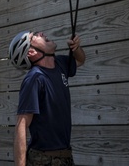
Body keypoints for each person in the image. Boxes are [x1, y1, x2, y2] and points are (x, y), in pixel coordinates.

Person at [9, 30, 86, 166]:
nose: (41, 33)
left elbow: (80, 60)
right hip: (43, 160)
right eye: (34, 36)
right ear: (31, 52)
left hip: (66, 156)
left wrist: (76, 48)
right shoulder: (34, 79)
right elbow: (21, 126)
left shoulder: (60, 64)